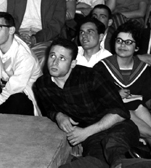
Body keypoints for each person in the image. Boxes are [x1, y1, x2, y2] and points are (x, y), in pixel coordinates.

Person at [33, 38, 139, 168]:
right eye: (52, 56)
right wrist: (58, 116)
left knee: (113, 145)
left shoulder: (91, 77)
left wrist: (85, 133)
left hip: (119, 127)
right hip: (92, 138)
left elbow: (120, 112)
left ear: (73, 63)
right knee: (94, 162)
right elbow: (48, 109)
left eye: (62, 58)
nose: (54, 62)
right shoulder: (42, 85)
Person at [94, 22, 151, 145]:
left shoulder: (142, 68)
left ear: (136, 48)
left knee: (140, 109)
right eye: (119, 41)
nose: (122, 45)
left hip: (137, 109)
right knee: (129, 111)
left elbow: (145, 97)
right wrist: (115, 94)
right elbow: (93, 95)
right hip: (111, 112)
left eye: (128, 42)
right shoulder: (102, 67)